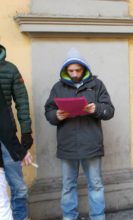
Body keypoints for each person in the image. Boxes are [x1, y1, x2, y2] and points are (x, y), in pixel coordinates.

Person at [45, 48, 114, 220]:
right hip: (67, 145)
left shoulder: (97, 85)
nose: (75, 74)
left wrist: (96, 108)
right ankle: (69, 218)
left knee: (96, 185)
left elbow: (110, 110)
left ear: (84, 68)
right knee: (68, 186)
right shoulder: (57, 87)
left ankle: (98, 217)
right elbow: (49, 112)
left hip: (91, 144)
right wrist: (56, 115)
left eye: (78, 70)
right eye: (71, 71)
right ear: (65, 70)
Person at [0, 44, 34, 220]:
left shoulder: (10, 69)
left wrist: (26, 134)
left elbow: (22, 102)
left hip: (7, 139)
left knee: (19, 188)